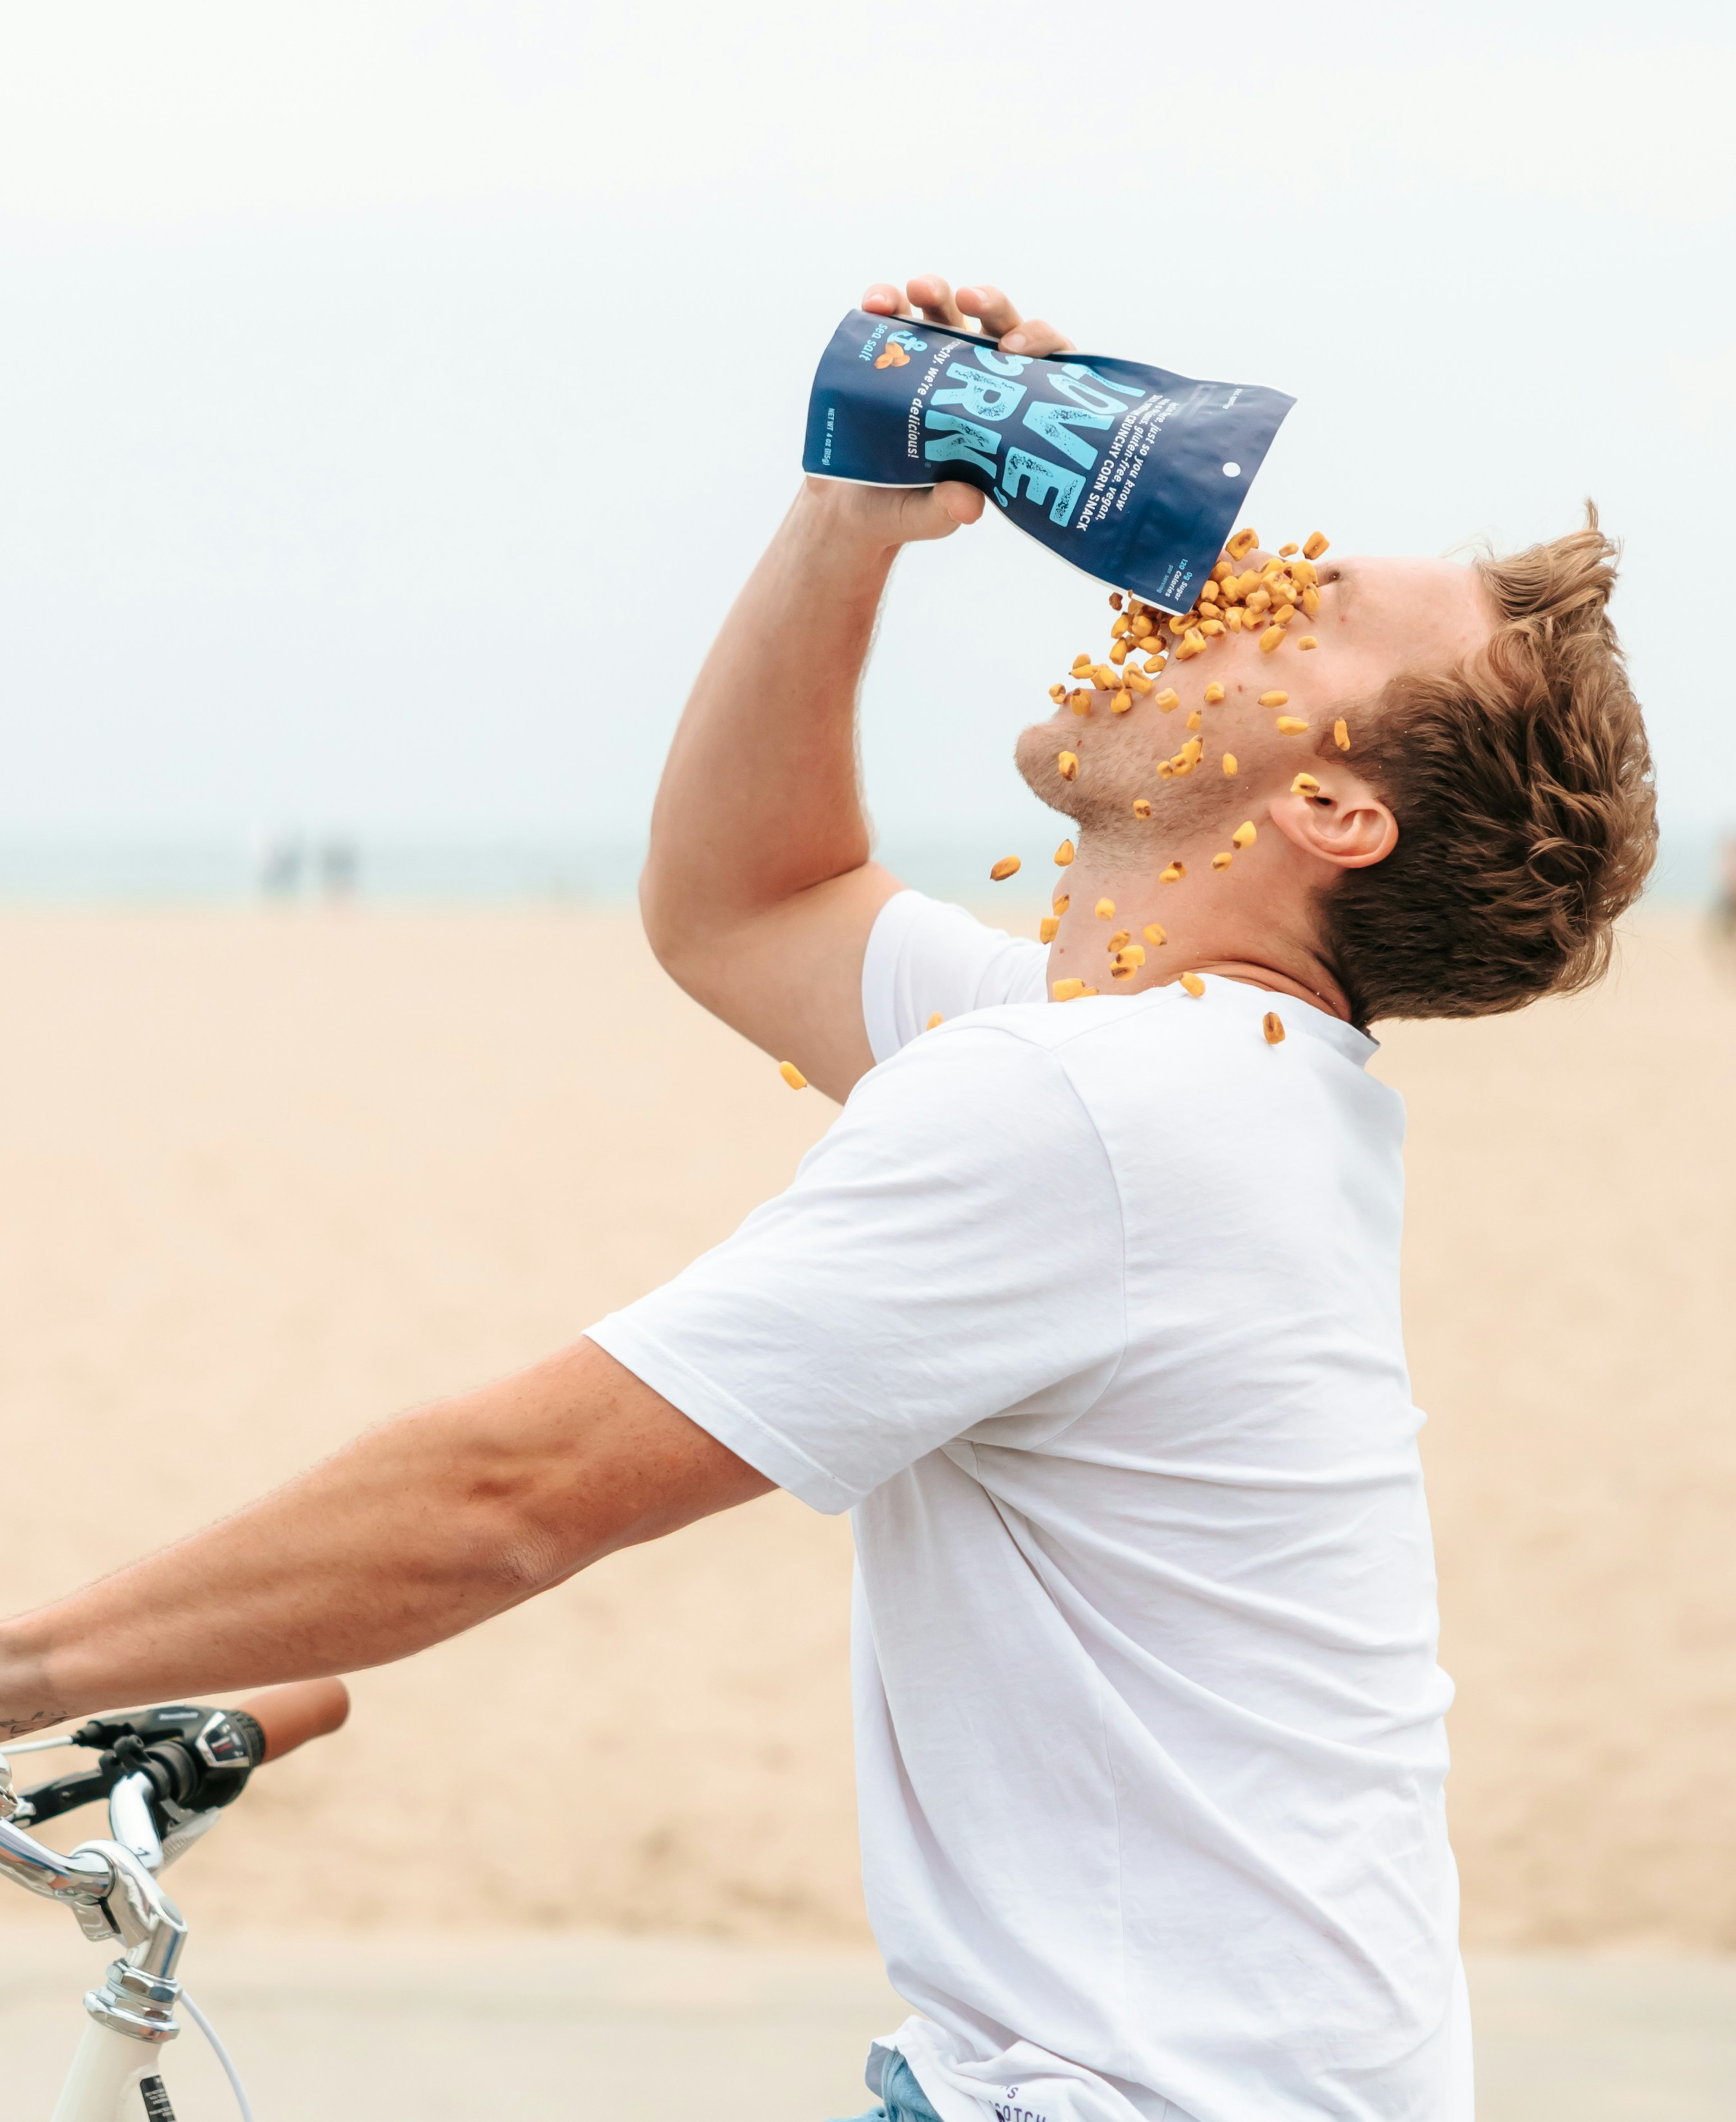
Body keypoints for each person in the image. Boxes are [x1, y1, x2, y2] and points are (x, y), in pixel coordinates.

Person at [0, 279, 1655, 2122]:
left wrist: (22, 1667)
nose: (1227, 583)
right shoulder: (1197, 1077)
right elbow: (748, 902)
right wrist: (844, 522)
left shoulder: (1098, 1104)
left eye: (1316, 609)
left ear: (1339, 813)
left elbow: (510, 1497)